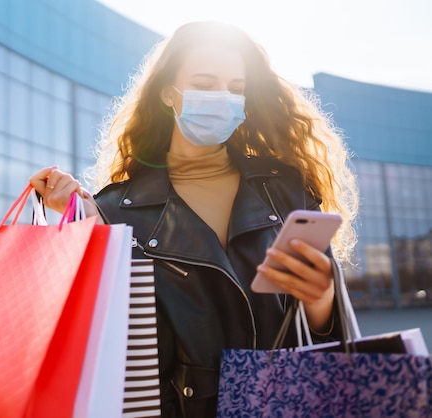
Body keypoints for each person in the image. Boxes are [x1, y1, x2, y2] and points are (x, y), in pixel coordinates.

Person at [30, 21, 358, 417]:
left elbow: (329, 335)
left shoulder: (287, 187)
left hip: (288, 404)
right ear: (169, 93)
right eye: (204, 82)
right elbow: (115, 346)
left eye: (236, 87)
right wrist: (79, 222)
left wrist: (322, 297)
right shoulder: (114, 210)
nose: (223, 97)